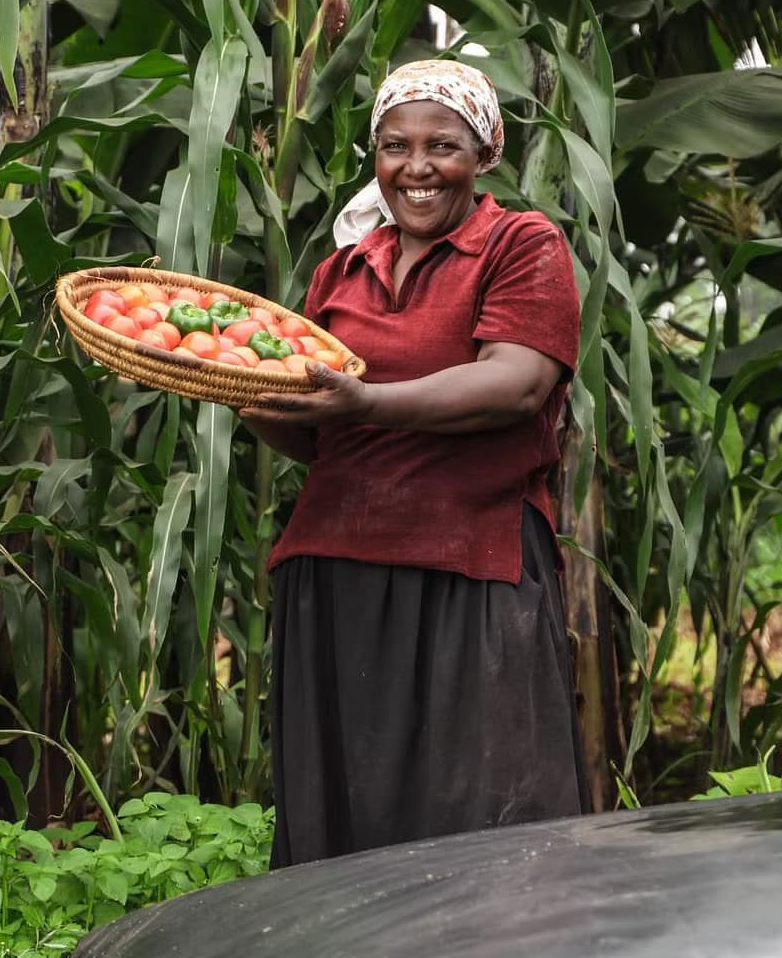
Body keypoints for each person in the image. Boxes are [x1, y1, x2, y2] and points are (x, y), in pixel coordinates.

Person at [239, 59, 584, 869]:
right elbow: (322, 441)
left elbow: (516, 384)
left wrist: (368, 402)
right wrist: (249, 397)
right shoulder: (342, 271)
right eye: (395, 146)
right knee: (346, 811)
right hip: (335, 569)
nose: (417, 167)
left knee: (482, 814)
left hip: (469, 566)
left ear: (486, 152)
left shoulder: (519, 244)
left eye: (444, 146)